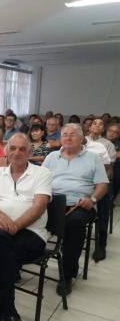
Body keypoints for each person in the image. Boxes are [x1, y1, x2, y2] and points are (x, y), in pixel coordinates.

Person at [0, 133, 52, 321]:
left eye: (22, 149)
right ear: (6, 150)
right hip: (1, 232)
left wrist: (14, 225)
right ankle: (8, 312)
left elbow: (39, 207)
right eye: (13, 148)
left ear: (30, 152)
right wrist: (0, 215)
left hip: (32, 234)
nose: (17, 152)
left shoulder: (41, 173)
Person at [42, 124, 109, 295]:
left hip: (80, 204)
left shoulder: (93, 158)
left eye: (73, 135)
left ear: (81, 138)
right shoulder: (51, 156)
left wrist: (92, 199)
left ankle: (67, 274)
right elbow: (40, 180)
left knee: (75, 223)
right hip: (52, 201)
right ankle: (17, 262)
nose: (68, 138)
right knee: (24, 212)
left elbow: (102, 184)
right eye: (65, 135)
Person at [86, 118, 116, 261]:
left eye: (101, 124)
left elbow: (110, 169)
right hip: (83, 180)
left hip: (99, 180)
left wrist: (102, 182)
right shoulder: (82, 140)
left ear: (103, 128)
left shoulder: (107, 144)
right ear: (89, 126)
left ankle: (101, 245)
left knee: (103, 204)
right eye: (94, 123)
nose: (97, 126)